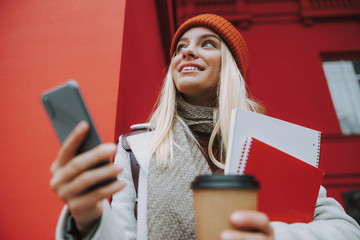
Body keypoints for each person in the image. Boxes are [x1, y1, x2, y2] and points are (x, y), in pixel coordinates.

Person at [51, 14, 360, 239]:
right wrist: (88, 216)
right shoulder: (137, 146)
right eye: (179, 47)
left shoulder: (270, 141)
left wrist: (272, 236)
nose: (186, 52)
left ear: (230, 68)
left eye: (207, 44)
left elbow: (345, 230)